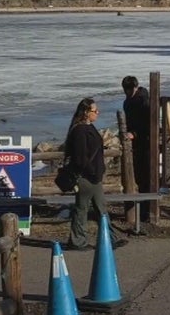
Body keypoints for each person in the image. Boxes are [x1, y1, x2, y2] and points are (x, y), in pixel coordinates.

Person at [65, 97, 126, 251]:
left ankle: (110, 239)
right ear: (86, 112)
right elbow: (80, 158)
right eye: (94, 110)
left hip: (94, 176)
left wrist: (98, 171)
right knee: (82, 209)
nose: (97, 113)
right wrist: (92, 171)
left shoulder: (89, 127)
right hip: (86, 177)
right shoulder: (79, 131)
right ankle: (78, 241)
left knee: (101, 209)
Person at [121, 76, 152, 224]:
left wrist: (135, 133)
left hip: (145, 143)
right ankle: (143, 209)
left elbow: (148, 124)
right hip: (137, 144)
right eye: (126, 90)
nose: (127, 92)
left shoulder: (144, 102)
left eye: (129, 89)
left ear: (135, 87)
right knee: (140, 177)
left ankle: (146, 211)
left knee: (146, 177)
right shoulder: (128, 102)